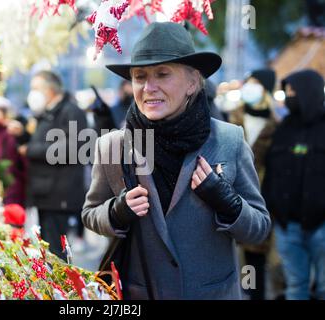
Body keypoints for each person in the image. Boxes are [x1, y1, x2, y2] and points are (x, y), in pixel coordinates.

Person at [82, 22, 271, 300]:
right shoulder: (111, 146)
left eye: (163, 74)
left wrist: (227, 202)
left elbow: (259, 230)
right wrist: (116, 211)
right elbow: (90, 214)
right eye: (139, 76)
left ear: (193, 82)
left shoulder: (229, 140)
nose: (149, 87)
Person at [262, 69, 325, 300]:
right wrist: (274, 210)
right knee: (295, 287)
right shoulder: (282, 129)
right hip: (288, 227)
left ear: (308, 92)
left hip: (322, 227)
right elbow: (271, 172)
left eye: (292, 91)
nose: (288, 96)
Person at [25, 71, 88, 259]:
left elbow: (74, 147)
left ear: (49, 89)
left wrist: (31, 149)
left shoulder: (71, 111)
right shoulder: (48, 113)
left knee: (57, 254)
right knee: (49, 253)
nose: (33, 93)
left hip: (60, 195)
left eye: (36, 88)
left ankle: (62, 288)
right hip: (46, 194)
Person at [229, 68, 279, 300]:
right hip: (226, 197)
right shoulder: (230, 119)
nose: (250, 86)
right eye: (249, 82)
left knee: (254, 263)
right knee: (227, 261)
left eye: (257, 83)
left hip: (261, 200)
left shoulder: (276, 127)